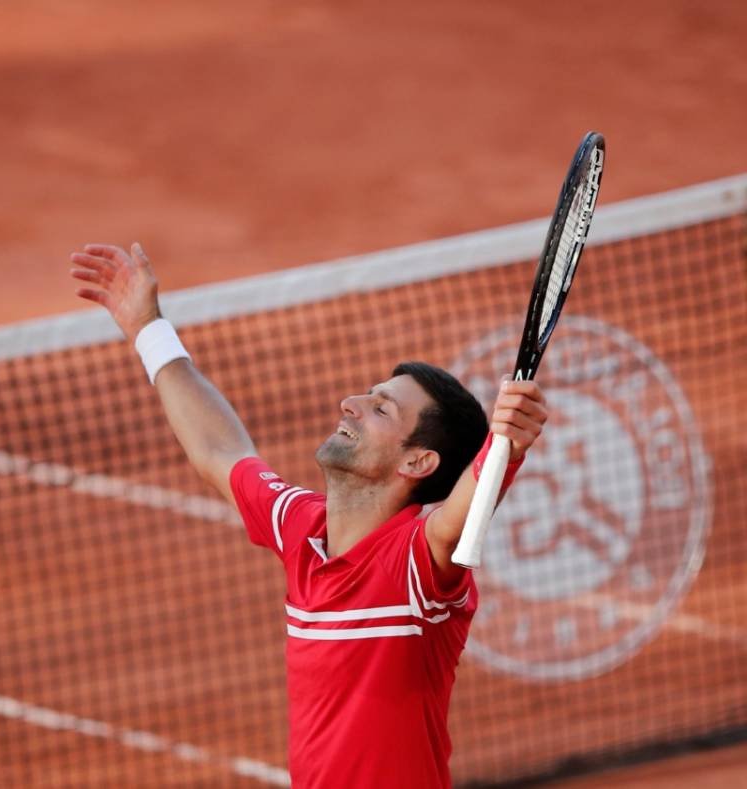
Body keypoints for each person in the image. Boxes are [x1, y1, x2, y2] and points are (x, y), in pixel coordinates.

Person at [69, 241, 549, 788]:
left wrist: (507, 447)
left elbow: (459, 518)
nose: (351, 403)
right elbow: (219, 452)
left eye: (380, 408)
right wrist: (149, 331)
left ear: (418, 461)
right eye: (368, 395)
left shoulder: (416, 566)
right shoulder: (302, 528)